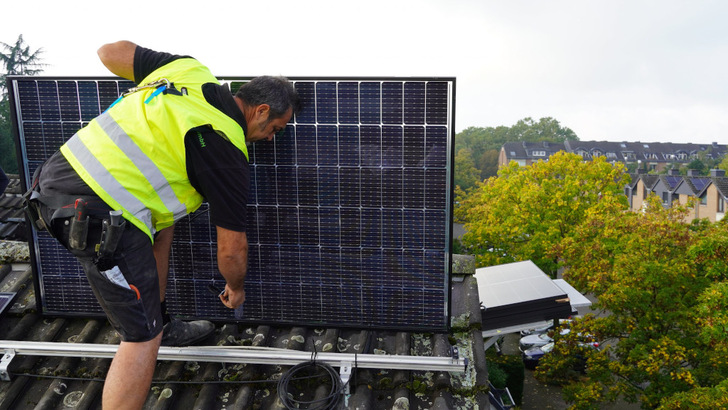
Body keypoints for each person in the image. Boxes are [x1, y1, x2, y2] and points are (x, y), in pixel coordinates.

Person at [28, 41, 300, 409]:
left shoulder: (187, 71)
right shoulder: (226, 150)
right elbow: (232, 247)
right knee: (141, 336)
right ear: (261, 110)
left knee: (163, 227)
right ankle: (152, 332)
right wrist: (236, 289)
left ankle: (163, 320)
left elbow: (109, 52)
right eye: (276, 129)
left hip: (52, 179)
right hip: (94, 216)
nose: (270, 138)